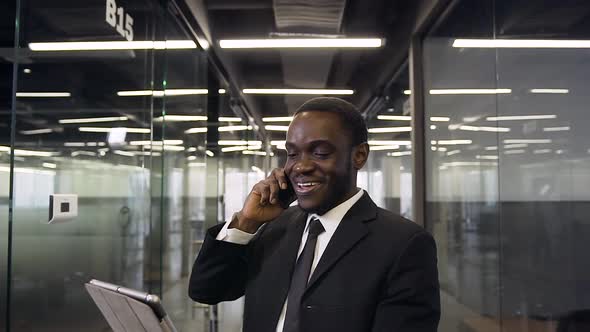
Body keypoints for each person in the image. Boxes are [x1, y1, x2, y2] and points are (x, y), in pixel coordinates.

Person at [189, 97, 440, 332]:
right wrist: (246, 222)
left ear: (359, 155)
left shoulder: (404, 243)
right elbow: (207, 291)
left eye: (320, 153)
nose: (301, 166)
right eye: (292, 153)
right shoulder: (275, 226)